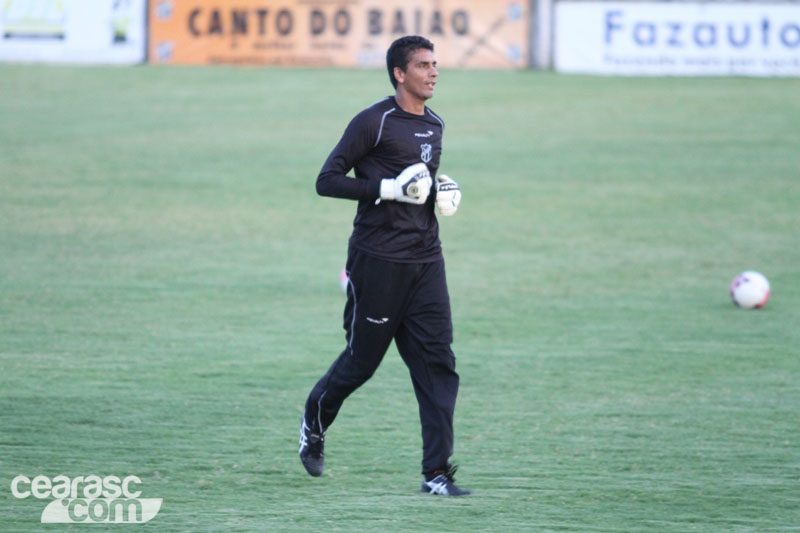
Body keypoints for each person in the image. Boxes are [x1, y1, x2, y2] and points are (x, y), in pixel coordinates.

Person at [298, 35, 468, 496]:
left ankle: (436, 474)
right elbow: (326, 181)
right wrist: (386, 188)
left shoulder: (434, 125)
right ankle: (314, 422)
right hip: (378, 261)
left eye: (435, 64)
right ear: (399, 73)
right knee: (361, 362)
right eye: (423, 65)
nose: (434, 72)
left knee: (438, 364)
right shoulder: (373, 122)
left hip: (426, 260)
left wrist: (441, 194)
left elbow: (420, 187)